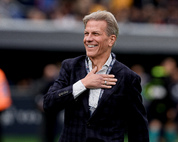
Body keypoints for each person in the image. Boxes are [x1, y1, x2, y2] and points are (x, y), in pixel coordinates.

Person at [43, 10, 149, 142]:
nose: (88, 39)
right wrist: (83, 84)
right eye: (86, 33)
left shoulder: (128, 77)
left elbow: (138, 127)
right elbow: (48, 103)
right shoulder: (70, 67)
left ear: (111, 40)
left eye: (95, 34)